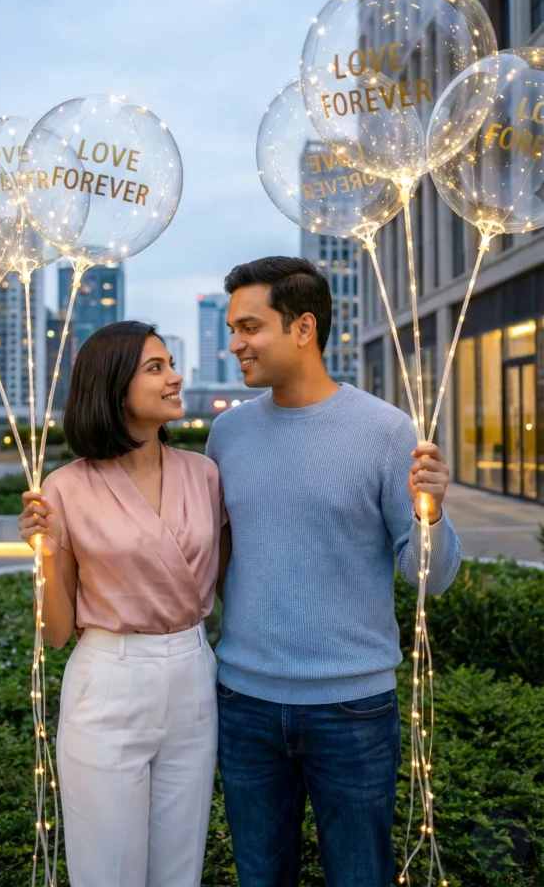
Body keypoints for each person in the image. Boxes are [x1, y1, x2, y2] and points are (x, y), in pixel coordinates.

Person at [205, 256, 462, 887]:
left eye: (248, 326)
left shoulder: (385, 430)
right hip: (244, 704)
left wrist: (431, 515)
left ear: (303, 328)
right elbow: (207, 560)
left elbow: (429, 576)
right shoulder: (227, 434)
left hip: (353, 709)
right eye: (232, 327)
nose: (233, 343)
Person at [18, 321, 225, 887]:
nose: (174, 376)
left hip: (192, 676)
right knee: (106, 872)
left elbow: (230, 582)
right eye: (155, 368)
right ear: (114, 388)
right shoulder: (63, 488)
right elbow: (57, 632)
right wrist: (43, 553)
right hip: (108, 681)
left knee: (180, 871)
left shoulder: (205, 475)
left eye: (170, 363)